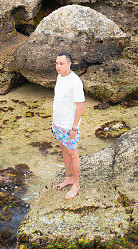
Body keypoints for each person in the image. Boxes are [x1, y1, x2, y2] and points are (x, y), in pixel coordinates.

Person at [50, 52, 85, 200]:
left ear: (69, 64)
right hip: (57, 124)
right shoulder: (59, 77)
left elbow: (80, 105)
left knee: (73, 153)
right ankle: (69, 177)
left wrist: (74, 127)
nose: (58, 66)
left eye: (61, 63)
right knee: (64, 151)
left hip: (69, 126)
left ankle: (76, 184)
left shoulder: (75, 81)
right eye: (56, 63)